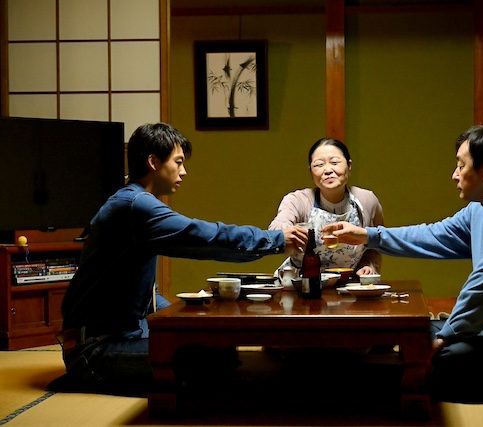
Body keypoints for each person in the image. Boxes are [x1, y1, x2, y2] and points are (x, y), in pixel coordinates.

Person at [322, 125, 483, 401]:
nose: (455, 174)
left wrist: (446, 336)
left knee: (441, 356)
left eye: (461, 166)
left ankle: (353, 390)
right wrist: (368, 236)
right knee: (413, 333)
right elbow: (434, 235)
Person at [52, 122, 308, 395]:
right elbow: (206, 237)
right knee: (212, 358)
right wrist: (276, 240)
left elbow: (145, 295)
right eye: (178, 162)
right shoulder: (136, 206)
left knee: (217, 347)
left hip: (124, 335)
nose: (183, 171)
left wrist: (184, 317)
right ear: (153, 162)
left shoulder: (134, 201)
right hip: (95, 350)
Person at [269, 137, 384, 277]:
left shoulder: (367, 200)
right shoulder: (297, 200)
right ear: (311, 172)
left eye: (335, 162)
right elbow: (277, 228)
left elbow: (376, 243)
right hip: (300, 282)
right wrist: (285, 232)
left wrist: (367, 265)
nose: (328, 170)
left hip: (348, 283)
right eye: (319, 165)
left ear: (349, 166)